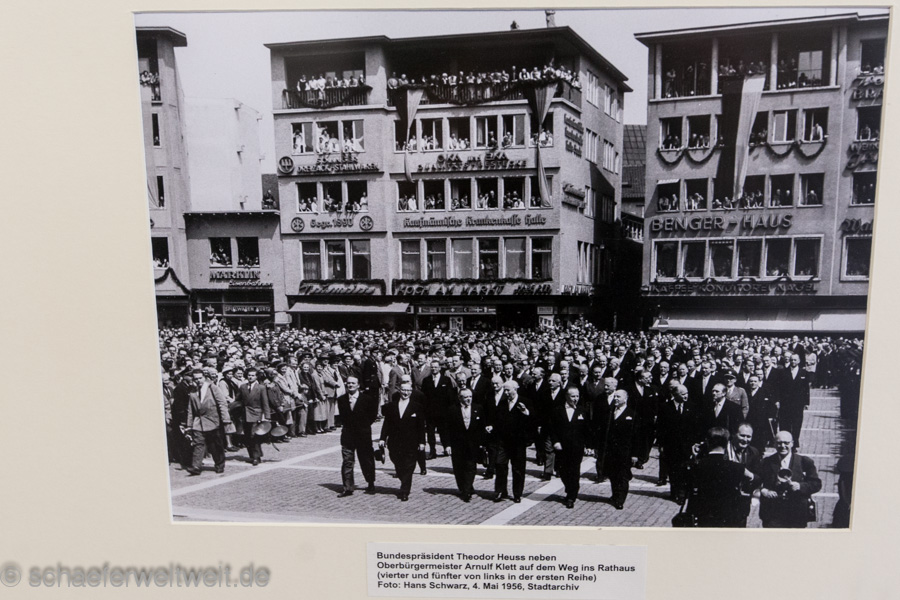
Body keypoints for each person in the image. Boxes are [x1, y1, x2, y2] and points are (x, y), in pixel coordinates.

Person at [759, 431, 822, 528]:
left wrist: (800, 486)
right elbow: (757, 481)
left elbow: (816, 484)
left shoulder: (804, 462)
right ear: (774, 444)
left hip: (797, 514)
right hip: (773, 514)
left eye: (786, 443)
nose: (782, 446)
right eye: (779, 443)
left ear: (792, 443)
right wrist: (764, 491)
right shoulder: (766, 462)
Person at [687, 427, 748, 527]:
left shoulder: (698, 466)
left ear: (708, 442)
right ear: (727, 443)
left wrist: (696, 457)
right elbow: (753, 478)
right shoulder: (736, 467)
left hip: (704, 517)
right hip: (728, 517)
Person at [487, 380, 534, 503]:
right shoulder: (503, 403)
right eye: (505, 390)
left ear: (515, 389)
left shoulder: (525, 402)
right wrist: (492, 426)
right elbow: (497, 419)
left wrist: (525, 411)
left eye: (508, 390)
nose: (506, 393)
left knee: (518, 469)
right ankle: (500, 491)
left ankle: (517, 493)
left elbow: (532, 420)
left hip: (518, 442)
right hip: (503, 441)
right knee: (500, 465)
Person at [379, 382, 426, 501]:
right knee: (397, 463)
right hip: (394, 441)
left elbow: (421, 426)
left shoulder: (417, 407)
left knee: (409, 465)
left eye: (408, 390)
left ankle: (405, 490)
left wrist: (422, 442)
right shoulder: (391, 406)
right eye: (404, 390)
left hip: (411, 442)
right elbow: (386, 423)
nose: (406, 393)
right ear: (399, 390)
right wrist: (382, 438)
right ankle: (403, 479)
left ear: (411, 391)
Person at [185, 368, 233, 475]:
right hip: (198, 422)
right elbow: (190, 410)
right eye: (196, 379)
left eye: (200, 378)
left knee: (215, 445)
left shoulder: (213, 388)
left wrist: (226, 419)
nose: (198, 380)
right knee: (198, 444)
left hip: (213, 421)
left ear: (204, 377)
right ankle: (196, 466)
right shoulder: (193, 391)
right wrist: (189, 425)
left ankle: (219, 464)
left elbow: (222, 403)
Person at [336, 376, 379, 497]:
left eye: (353, 383)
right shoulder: (341, 399)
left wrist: (363, 426)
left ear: (358, 385)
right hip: (348, 435)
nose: (350, 385)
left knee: (366, 459)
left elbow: (372, 415)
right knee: (347, 461)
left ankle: (370, 482)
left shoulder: (367, 399)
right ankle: (348, 487)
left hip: (363, 435)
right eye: (348, 383)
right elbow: (343, 417)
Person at [597, 390, 639, 509]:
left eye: (618, 397)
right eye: (614, 396)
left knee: (623, 476)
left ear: (625, 399)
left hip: (625, 452)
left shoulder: (632, 414)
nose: (615, 398)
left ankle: (620, 499)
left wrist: (635, 454)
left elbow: (636, 436)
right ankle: (615, 495)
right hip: (610, 451)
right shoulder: (610, 412)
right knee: (613, 474)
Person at [656, 384, 699, 502]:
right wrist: (661, 445)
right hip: (671, 445)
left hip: (687, 446)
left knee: (685, 470)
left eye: (687, 393)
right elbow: (660, 427)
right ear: (675, 395)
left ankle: (682, 494)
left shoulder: (692, 407)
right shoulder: (665, 407)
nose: (686, 396)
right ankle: (674, 492)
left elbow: (696, 427)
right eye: (683, 394)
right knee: (673, 470)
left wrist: (695, 443)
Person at [550, 387, 590, 508]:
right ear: (567, 396)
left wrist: (588, 445)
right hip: (562, 446)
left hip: (577, 447)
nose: (575, 399)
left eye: (577, 396)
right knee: (562, 470)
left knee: (574, 470)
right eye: (573, 396)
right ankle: (569, 488)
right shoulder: (557, 410)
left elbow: (587, 429)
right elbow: (552, 428)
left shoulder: (582, 410)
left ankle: (571, 496)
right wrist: (555, 441)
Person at [443, 389, 485, 502]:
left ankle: (466, 491)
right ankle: (464, 488)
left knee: (471, 467)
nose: (468, 399)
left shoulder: (478, 408)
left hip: (473, 445)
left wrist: (482, 443)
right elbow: (446, 429)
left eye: (470, 396)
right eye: (465, 397)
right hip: (457, 445)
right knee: (459, 468)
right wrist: (447, 445)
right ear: (459, 398)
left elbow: (481, 427)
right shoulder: (452, 410)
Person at [239, 368, 270, 466]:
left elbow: (265, 402)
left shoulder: (261, 388)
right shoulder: (243, 387)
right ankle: (253, 455)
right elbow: (238, 400)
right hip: (245, 414)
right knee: (247, 435)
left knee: (254, 435)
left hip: (256, 413)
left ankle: (256, 457)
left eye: (253, 375)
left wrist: (267, 416)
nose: (250, 377)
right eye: (249, 375)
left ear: (256, 377)